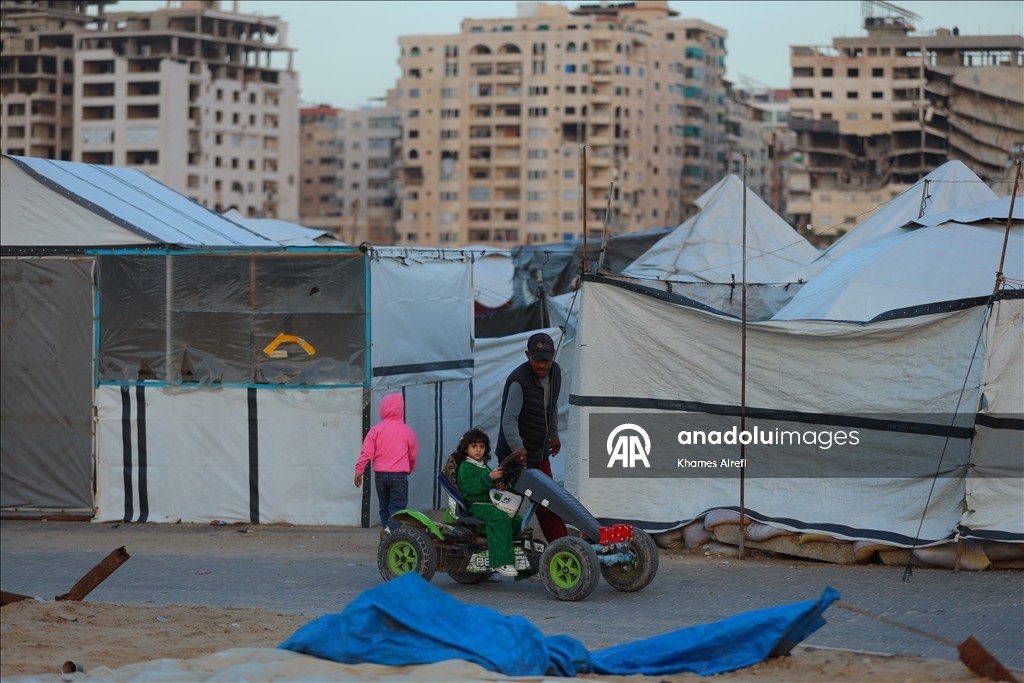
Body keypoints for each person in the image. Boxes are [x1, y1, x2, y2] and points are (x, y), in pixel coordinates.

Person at [494, 332, 568, 542]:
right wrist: (517, 448)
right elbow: (509, 419)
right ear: (528, 355)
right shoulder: (519, 381)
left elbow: (551, 406)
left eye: (546, 359)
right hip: (514, 458)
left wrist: (553, 433)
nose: (542, 365)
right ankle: (500, 551)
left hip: (539, 454)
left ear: (553, 355)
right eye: (537, 360)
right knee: (508, 507)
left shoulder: (555, 374)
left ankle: (564, 547)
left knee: (549, 504)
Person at [453, 428, 522, 577]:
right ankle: (500, 561)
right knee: (500, 518)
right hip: (476, 505)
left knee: (516, 520)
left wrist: (506, 478)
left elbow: (496, 486)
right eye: (474, 446)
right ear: (466, 448)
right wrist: (489, 478)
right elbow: (471, 488)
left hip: (490, 503)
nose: (478, 450)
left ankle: (521, 559)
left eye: (482, 446)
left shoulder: (483, 465)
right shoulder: (465, 467)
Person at [354, 393, 418, 540]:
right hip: (399, 476)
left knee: (384, 508)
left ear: (382, 409)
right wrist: (410, 468)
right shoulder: (408, 431)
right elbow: (412, 455)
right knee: (398, 508)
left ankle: (387, 535)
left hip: (380, 476)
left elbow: (366, 453)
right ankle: (389, 531)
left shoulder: (376, 430)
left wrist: (359, 471)